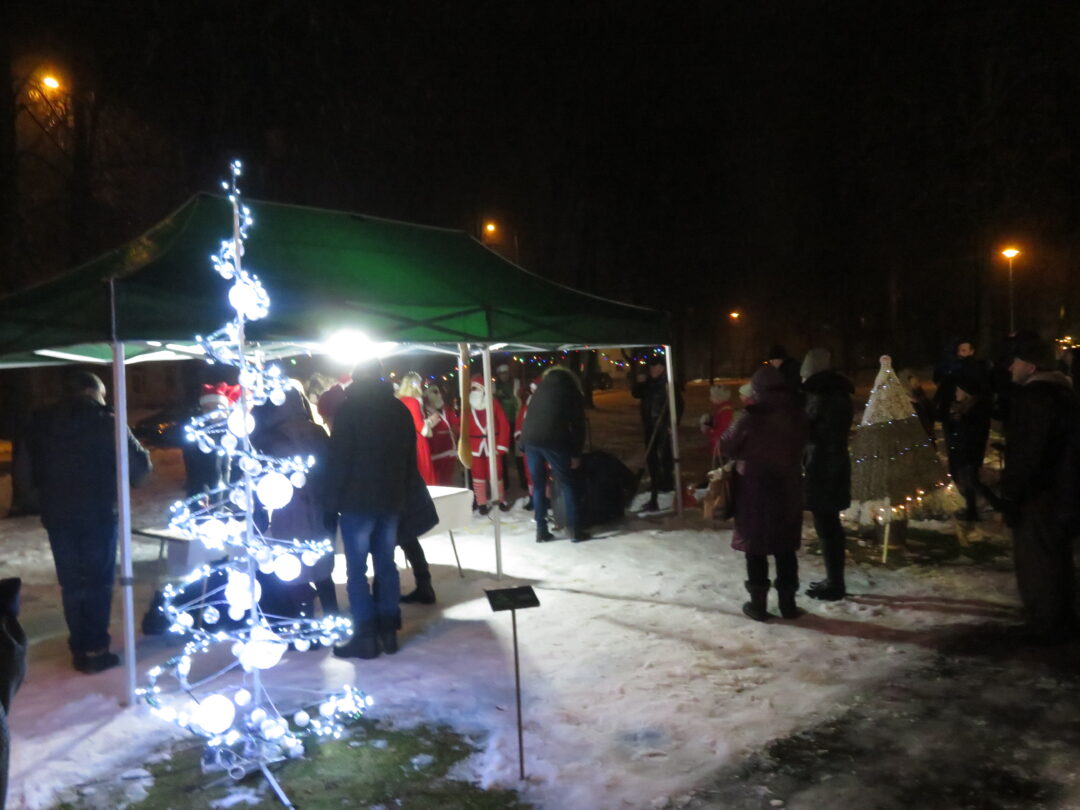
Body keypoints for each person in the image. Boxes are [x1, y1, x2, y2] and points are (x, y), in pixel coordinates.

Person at [26, 371, 151, 673]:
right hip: (99, 514)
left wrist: (45, 496)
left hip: (58, 517)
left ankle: (79, 646)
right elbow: (139, 470)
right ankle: (94, 649)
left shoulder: (39, 423)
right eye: (102, 394)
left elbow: (25, 474)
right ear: (91, 391)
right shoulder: (107, 422)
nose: (104, 400)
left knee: (71, 583)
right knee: (97, 582)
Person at [324, 360, 416, 659]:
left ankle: (366, 637)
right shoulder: (398, 409)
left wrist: (331, 502)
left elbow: (339, 460)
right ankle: (388, 632)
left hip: (357, 502)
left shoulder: (349, 410)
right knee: (386, 565)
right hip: (390, 500)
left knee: (356, 571)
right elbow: (409, 457)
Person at [999, 335, 1080, 644]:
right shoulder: (1064, 394)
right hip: (1063, 493)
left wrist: (1010, 493)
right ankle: (1059, 620)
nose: (1010, 367)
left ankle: (1046, 627)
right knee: (1057, 559)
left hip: (1040, 496)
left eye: (1015, 362)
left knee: (1037, 563)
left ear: (1031, 366)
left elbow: (1029, 453)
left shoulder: (1035, 399)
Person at [721, 366, 807, 621]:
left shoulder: (749, 419)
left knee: (756, 548)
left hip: (754, 491)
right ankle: (788, 605)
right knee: (785, 549)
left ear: (757, 390)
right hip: (788, 489)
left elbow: (727, 445)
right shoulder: (797, 416)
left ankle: (758, 605)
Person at [251, 383, 337, 619]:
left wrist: (259, 509)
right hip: (320, 507)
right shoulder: (317, 432)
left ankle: (304, 619)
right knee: (320, 565)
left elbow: (259, 478)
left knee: (294, 565)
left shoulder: (269, 438)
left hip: (287, 511)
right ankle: (332, 614)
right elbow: (332, 469)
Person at [799, 348, 854, 601]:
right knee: (829, 525)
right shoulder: (836, 394)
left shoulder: (821, 396)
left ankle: (835, 583)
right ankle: (834, 579)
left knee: (827, 526)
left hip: (823, 468)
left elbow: (814, 432)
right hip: (832, 466)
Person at [520, 367, 589, 542]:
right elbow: (579, 426)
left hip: (530, 441)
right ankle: (574, 529)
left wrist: (522, 445)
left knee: (538, 486)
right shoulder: (571, 391)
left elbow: (530, 418)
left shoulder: (541, 389)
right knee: (567, 483)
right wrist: (576, 454)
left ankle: (541, 530)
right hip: (553, 441)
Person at [935, 339, 993, 524]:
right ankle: (971, 504)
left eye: (966, 350)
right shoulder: (953, 369)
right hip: (962, 425)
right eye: (961, 349)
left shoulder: (972, 371)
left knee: (967, 469)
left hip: (968, 428)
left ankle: (975, 506)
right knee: (966, 469)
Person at [395, 372, 438, 605]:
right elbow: (420, 428)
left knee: (399, 539)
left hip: (395, 484)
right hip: (403, 479)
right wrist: (432, 421)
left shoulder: (398, 405)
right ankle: (423, 584)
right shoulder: (409, 403)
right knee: (406, 537)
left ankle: (389, 594)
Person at [631, 355, 683, 511]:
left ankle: (666, 484)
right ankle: (655, 484)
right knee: (651, 456)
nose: (655, 370)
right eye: (653, 367)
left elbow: (679, 405)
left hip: (663, 425)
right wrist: (639, 383)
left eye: (659, 367)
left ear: (663, 369)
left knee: (664, 456)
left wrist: (672, 423)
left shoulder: (668, 384)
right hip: (649, 424)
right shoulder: (647, 383)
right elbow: (636, 394)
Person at [182, 382, 240, 498]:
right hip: (204, 494)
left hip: (233, 495)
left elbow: (243, 463)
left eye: (217, 408)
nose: (212, 413)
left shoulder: (235, 432)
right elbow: (193, 468)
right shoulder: (197, 435)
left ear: (226, 409)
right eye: (207, 408)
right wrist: (202, 491)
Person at [467, 376, 510, 514]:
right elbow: (463, 426)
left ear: (483, 389)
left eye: (476, 388)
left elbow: (504, 423)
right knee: (478, 475)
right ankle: (482, 503)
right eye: (472, 388)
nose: (473, 391)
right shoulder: (467, 405)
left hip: (493, 444)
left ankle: (500, 500)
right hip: (475, 447)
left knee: (496, 473)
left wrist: (502, 445)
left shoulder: (493, 403)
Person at [425, 384, 460, 487]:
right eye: (435, 392)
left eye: (440, 392)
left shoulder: (446, 410)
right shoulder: (423, 411)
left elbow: (455, 425)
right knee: (435, 483)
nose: (439, 395)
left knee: (447, 482)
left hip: (449, 452)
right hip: (434, 453)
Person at [699, 384, 735, 466]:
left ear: (719, 398)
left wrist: (708, 430)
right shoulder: (722, 408)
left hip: (721, 446)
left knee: (720, 466)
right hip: (721, 445)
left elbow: (722, 429)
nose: (710, 398)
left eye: (712, 396)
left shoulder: (725, 411)